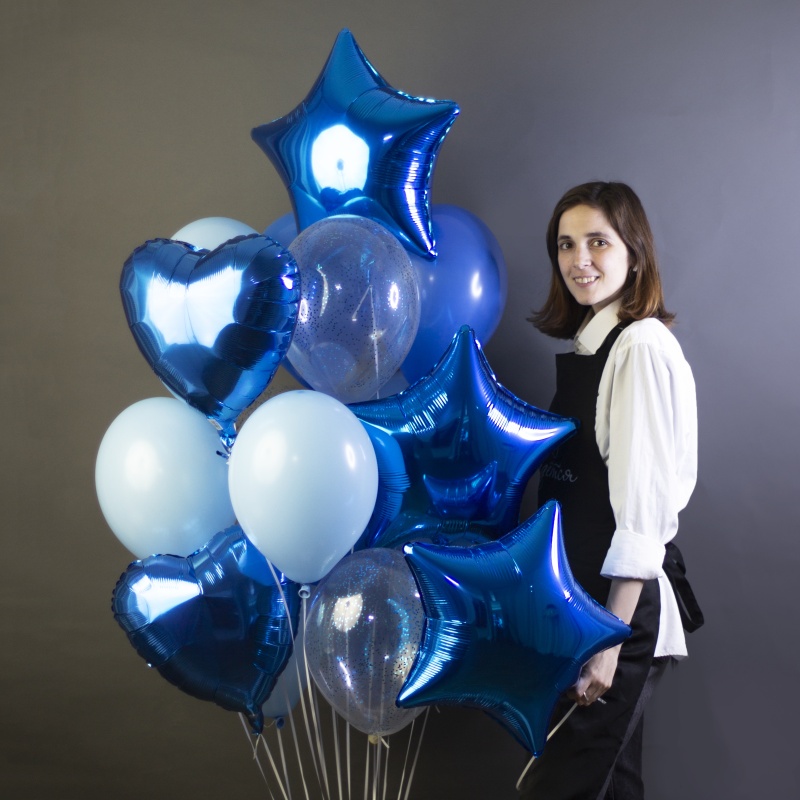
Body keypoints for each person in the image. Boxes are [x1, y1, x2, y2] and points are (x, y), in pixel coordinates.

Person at [519, 182, 699, 799]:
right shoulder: (594, 344)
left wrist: (609, 642)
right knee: (612, 786)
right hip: (580, 603)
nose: (579, 260)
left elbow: (642, 511)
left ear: (635, 253)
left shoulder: (640, 346)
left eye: (598, 241)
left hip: (615, 611)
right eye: (566, 245)